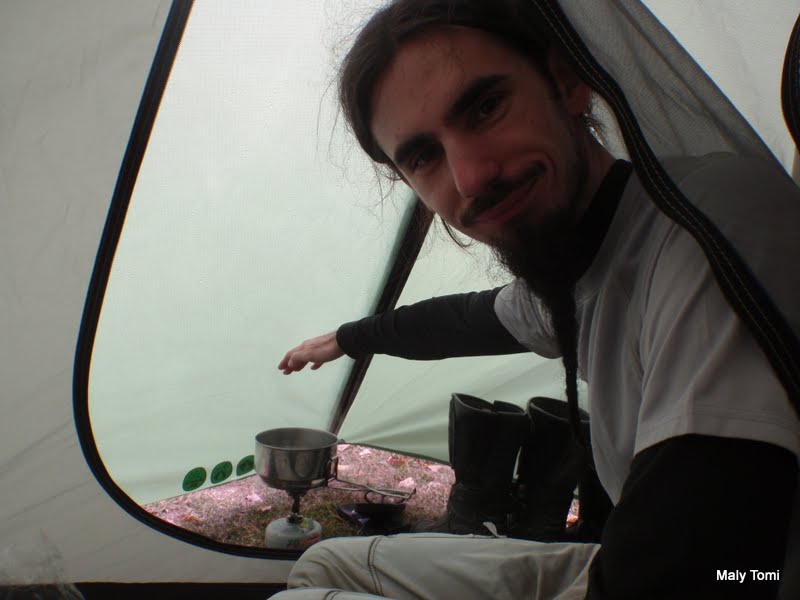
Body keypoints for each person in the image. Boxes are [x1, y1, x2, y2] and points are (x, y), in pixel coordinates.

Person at [273, 0, 800, 598]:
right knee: (325, 566)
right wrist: (348, 339)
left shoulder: (711, 231)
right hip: (627, 568)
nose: (470, 178)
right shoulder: (587, 255)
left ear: (567, 80)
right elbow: (470, 320)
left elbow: (703, 574)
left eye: (486, 107)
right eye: (424, 156)